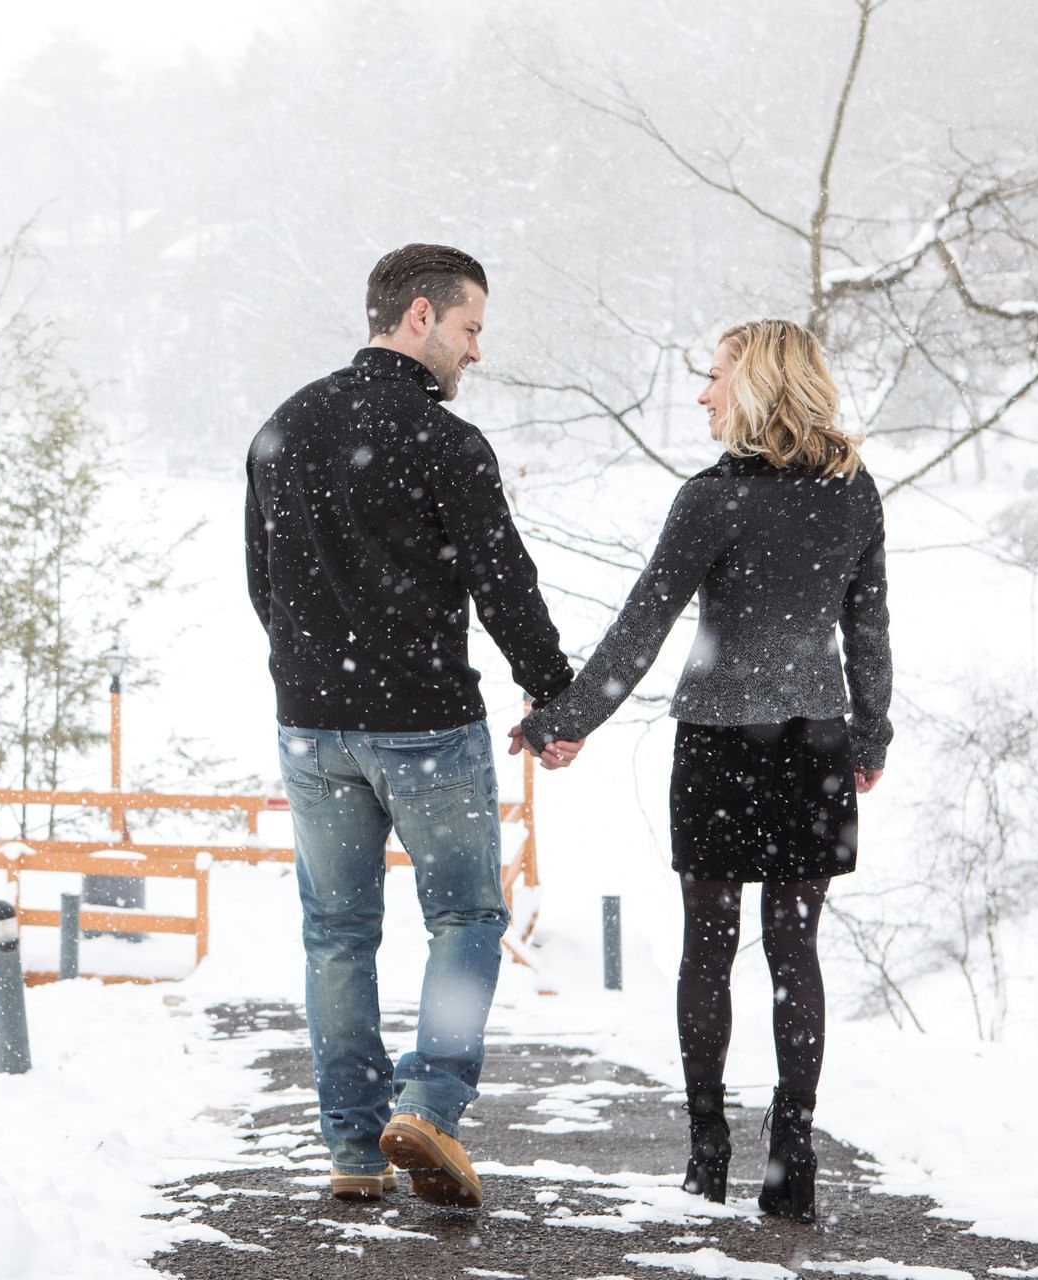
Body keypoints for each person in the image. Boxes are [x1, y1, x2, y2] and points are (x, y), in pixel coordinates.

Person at [516, 319, 892, 1225]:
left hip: (724, 745)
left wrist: (561, 722)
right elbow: (868, 627)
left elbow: (641, 629)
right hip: (815, 744)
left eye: (715, 376)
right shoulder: (852, 492)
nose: (703, 393)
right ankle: (792, 1159)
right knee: (796, 950)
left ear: (756, 384)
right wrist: (870, 738)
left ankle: (707, 1154)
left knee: (710, 946)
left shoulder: (713, 499)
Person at [245, 243, 582, 1208]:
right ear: (422, 316)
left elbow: (262, 586)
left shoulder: (285, 427)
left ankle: (353, 1146)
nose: (475, 353)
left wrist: (316, 679)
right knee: (468, 918)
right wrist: (551, 696)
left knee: (337, 934)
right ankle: (429, 1107)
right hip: (426, 725)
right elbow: (504, 584)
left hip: (312, 727)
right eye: (471, 330)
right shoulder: (445, 444)